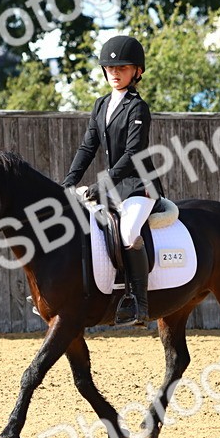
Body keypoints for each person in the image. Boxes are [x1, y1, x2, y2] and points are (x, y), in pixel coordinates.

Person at [61, 34, 164, 326]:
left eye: (122, 68)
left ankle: (140, 305)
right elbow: (87, 147)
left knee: (130, 233)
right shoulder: (101, 105)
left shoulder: (137, 108)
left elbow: (133, 153)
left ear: (137, 72)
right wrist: (69, 182)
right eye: (110, 68)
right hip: (113, 188)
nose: (115, 73)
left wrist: (101, 184)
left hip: (138, 187)